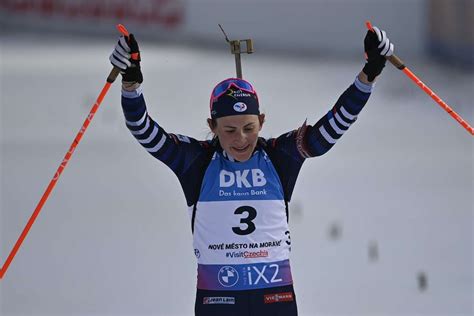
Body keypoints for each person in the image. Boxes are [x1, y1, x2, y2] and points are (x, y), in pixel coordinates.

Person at [109, 26, 394, 316]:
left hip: (275, 298)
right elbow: (143, 130)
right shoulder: (196, 161)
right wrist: (131, 83)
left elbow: (330, 130)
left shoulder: (280, 156)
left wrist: (369, 74)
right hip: (217, 299)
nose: (241, 139)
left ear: (262, 121)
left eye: (249, 128)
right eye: (229, 130)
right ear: (212, 127)